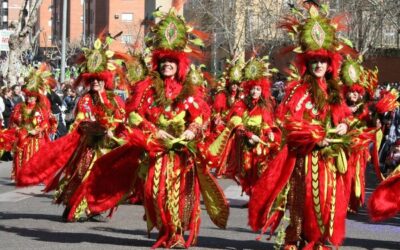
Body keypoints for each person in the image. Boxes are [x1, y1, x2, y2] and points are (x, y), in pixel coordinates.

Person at [74, 6, 229, 248]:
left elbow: (200, 118)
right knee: (155, 195)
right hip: (155, 150)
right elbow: (134, 116)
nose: (167, 65)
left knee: (178, 195)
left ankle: (176, 234)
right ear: (158, 62)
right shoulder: (146, 89)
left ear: (179, 64)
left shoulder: (189, 89)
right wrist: (154, 130)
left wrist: (190, 131)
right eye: (164, 61)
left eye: (171, 61)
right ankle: (164, 229)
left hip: (181, 152)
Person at [248, 5, 356, 249]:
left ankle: (319, 239)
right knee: (302, 199)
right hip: (304, 156)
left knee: (328, 198)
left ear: (330, 64)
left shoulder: (335, 91)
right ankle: (294, 239)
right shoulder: (298, 89)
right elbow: (289, 121)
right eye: (314, 61)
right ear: (308, 63)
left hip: (328, 158)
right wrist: (315, 136)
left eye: (322, 61)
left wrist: (342, 127)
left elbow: (344, 117)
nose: (318, 65)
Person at [17, 38, 127, 223]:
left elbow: (121, 117)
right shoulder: (84, 100)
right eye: (91, 80)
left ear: (105, 81)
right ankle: (71, 207)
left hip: (108, 146)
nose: (95, 83)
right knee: (81, 175)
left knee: (102, 179)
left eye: (98, 80)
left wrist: (112, 129)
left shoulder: (115, 99)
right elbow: (82, 120)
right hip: (89, 146)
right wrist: (97, 126)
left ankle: (95, 209)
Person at [208, 57, 281, 196]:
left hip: (260, 142)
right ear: (249, 89)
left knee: (260, 167)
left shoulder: (265, 105)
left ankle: (258, 194)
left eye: (258, 89)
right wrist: (248, 134)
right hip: (245, 141)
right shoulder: (241, 104)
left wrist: (269, 132)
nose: (255, 92)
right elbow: (238, 123)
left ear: (262, 91)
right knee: (246, 170)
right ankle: (250, 193)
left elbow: (266, 123)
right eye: (253, 89)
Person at [9, 65, 58, 180]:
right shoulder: (19, 107)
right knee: (21, 155)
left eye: (32, 97)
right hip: (23, 136)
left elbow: (47, 121)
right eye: (28, 96)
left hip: (36, 138)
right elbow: (14, 121)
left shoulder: (41, 108)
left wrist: (37, 130)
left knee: (35, 156)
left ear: (36, 98)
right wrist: (18, 130)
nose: (30, 99)